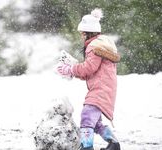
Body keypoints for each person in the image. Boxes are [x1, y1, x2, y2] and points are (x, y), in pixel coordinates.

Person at [57, 8, 121, 150]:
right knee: (95, 123)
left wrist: (70, 70)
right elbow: (91, 71)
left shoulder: (94, 46)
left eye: (82, 34)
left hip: (100, 89)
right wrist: (73, 70)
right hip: (104, 88)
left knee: (87, 117)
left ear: (87, 33)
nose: (81, 37)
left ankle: (86, 147)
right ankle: (114, 144)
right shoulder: (100, 44)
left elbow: (88, 68)